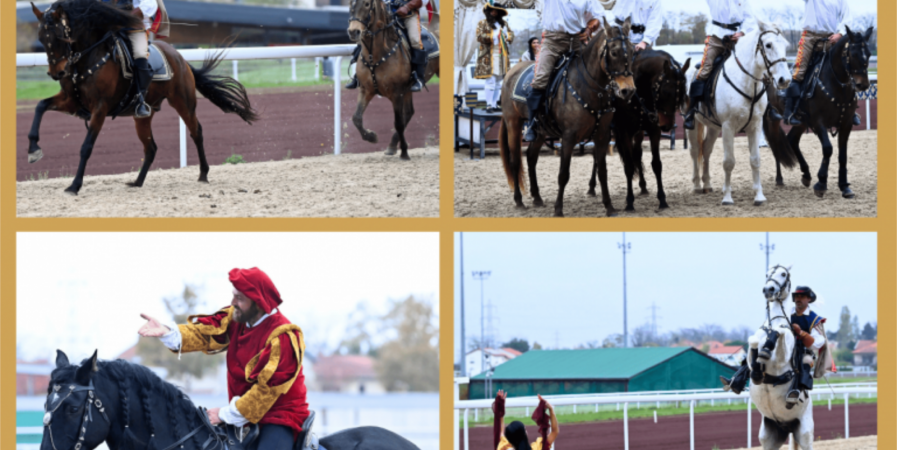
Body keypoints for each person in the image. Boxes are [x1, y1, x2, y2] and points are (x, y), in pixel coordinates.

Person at [138, 268, 310, 450]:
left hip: (279, 416)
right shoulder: (235, 318)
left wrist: (224, 414)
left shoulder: (283, 336)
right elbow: (203, 333)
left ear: (258, 303)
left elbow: (265, 393)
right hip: (241, 413)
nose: (233, 302)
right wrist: (167, 332)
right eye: (234, 295)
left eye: (240, 298)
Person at [720, 286, 826, 404]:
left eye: (802, 296)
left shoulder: (814, 319)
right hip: (782, 345)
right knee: (757, 350)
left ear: (809, 299)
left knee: (807, 360)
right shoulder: (785, 312)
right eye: (796, 296)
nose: (798, 299)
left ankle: (796, 390)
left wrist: (801, 333)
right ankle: (737, 380)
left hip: (801, 350)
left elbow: (818, 342)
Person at [523, 0, 611, 141]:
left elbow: (599, 15)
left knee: (598, 73)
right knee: (541, 79)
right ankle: (532, 123)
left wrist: (589, 29)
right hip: (553, 42)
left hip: (577, 41)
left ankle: (605, 118)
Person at [682, 0, 758, 130]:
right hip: (716, 37)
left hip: (739, 39)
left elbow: (749, 18)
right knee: (704, 70)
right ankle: (691, 112)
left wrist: (742, 32)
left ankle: (768, 108)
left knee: (755, 67)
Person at [784, 0, 860, 126]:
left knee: (845, 69)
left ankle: (851, 111)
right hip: (809, 38)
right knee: (798, 73)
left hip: (832, 39)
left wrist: (840, 34)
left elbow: (848, 18)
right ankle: (789, 113)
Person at [345, 0, 429, 92]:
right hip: (386, 15)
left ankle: (419, 78)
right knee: (365, 37)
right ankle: (358, 76)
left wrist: (407, 7)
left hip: (408, 16)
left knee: (415, 40)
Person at [107, 0, 169, 118]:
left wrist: (130, 16)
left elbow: (149, 3)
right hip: (105, 26)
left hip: (133, 27)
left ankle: (140, 99)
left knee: (140, 54)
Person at [474, 0, 514, 113]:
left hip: (502, 55)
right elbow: (479, 36)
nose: (494, 12)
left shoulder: (504, 24)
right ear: (488, 11)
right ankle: (488, 105)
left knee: (498, 82)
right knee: (490, 81)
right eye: (492, 10)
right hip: (489, 55)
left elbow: (511, 35)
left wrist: (507, 36)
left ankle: (494, 104)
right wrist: (494, 36)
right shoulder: (483, 23)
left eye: (496, 11)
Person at [493, 390, 559, 450]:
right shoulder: (537, 448)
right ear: (524, 434)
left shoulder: (504, 447)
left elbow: (501, 433)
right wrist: (551, 409)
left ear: (509, 439)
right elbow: (554, 432)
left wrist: (500, 408)